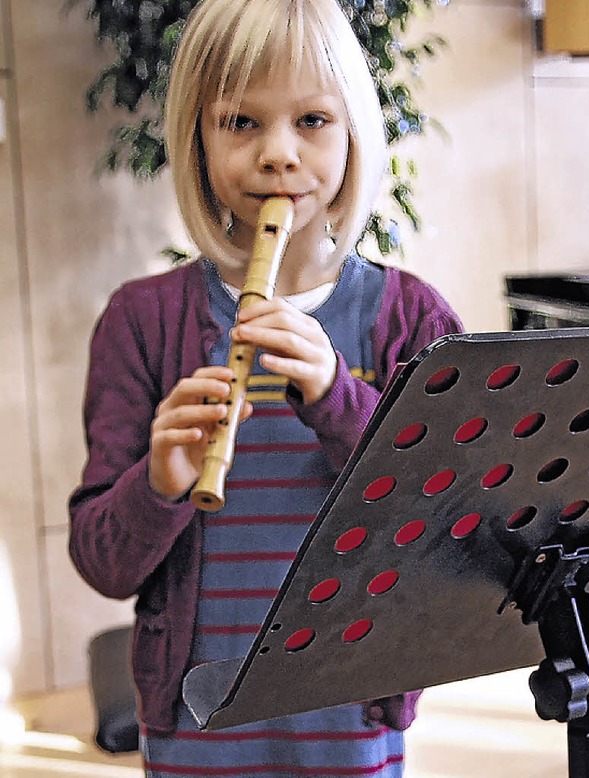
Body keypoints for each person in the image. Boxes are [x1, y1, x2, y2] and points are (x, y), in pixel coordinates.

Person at [68, 0, 463, 775]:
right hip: (195, 730)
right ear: (197, 140)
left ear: (354, 132)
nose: (278, 154)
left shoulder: (410, 317)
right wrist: (159, 483)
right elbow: (103, 562)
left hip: (351, 716)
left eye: (312, 119)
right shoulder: (142, 321)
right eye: (240, 123)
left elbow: (452, 523)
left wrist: (341, 401)